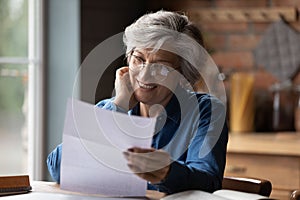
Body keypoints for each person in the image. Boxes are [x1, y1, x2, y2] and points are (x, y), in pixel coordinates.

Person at [47, 10, 228, 195]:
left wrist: (166, 172)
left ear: (182, 75)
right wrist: (118, 106)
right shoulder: (110, 109)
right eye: (139, 59)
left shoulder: (206, 111)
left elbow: (208, 181)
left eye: (160, 67)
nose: (144, 74)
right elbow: (58, 167)